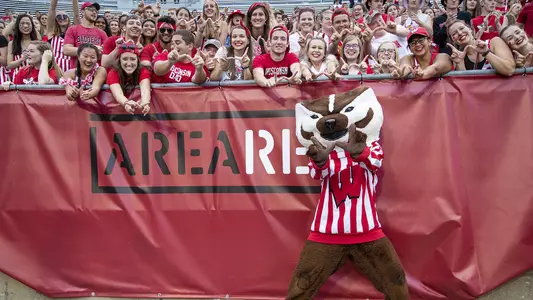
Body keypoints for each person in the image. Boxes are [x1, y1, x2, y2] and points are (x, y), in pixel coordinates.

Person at [447, 20, 515, 75]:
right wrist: (459, 63)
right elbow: (465, 86)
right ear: (453, 41)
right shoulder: (458, 57)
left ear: (470, 29)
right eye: (454, 33)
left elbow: (509, 70)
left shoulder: (494, 42)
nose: (459, 33)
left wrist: (486, 53)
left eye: (461, 28)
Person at [107, 42, 151, 115]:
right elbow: (118, 94)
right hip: (114, 112)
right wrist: (126, 103)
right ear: (119, 60)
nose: (129, 63)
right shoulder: (113, 73)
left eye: (133, 59)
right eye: (125, 59)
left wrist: (145, 102)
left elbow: (145, 90)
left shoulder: (143, 70)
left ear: (138, 60)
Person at [63, 2, 108, 69]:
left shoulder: (102, 33)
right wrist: (93, 49)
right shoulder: (72, 29)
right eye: (90, 9)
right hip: (76, 72)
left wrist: (100, 53)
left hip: (96, 73)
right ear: (83, 12)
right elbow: (67, 50)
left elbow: (106, 55)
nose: (94, 12)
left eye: (96, 11)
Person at [7, 14, 39, 79]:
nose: (25, 26)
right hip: (18, 78)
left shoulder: (37, 42)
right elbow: (9, 65)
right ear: (18, 26)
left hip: (36, 77)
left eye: (28, 23)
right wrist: (22, 59)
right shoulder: (12, 43)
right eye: (22, 23)